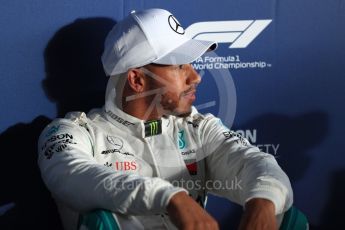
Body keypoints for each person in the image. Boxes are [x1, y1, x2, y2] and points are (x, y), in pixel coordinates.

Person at [38, 8, 293, 230]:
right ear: (137, 80)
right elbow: (74, 175)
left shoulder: (199, 128)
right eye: (180, 66)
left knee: (286, 215)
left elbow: (254, 163)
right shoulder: (73, 132)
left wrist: (263, 202)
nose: (196, 77)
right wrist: (171, 199)